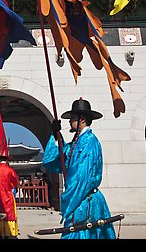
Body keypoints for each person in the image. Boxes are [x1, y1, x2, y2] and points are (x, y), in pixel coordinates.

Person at [41, 98, 117, 239]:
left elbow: (81, 175)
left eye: (72, 118)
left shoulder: (89, 142)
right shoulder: (77, 142)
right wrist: (57, 136)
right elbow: (61, 159)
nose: (70, 121)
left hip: (83, 198)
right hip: (80, 197)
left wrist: (69, 195)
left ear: (82, 119)